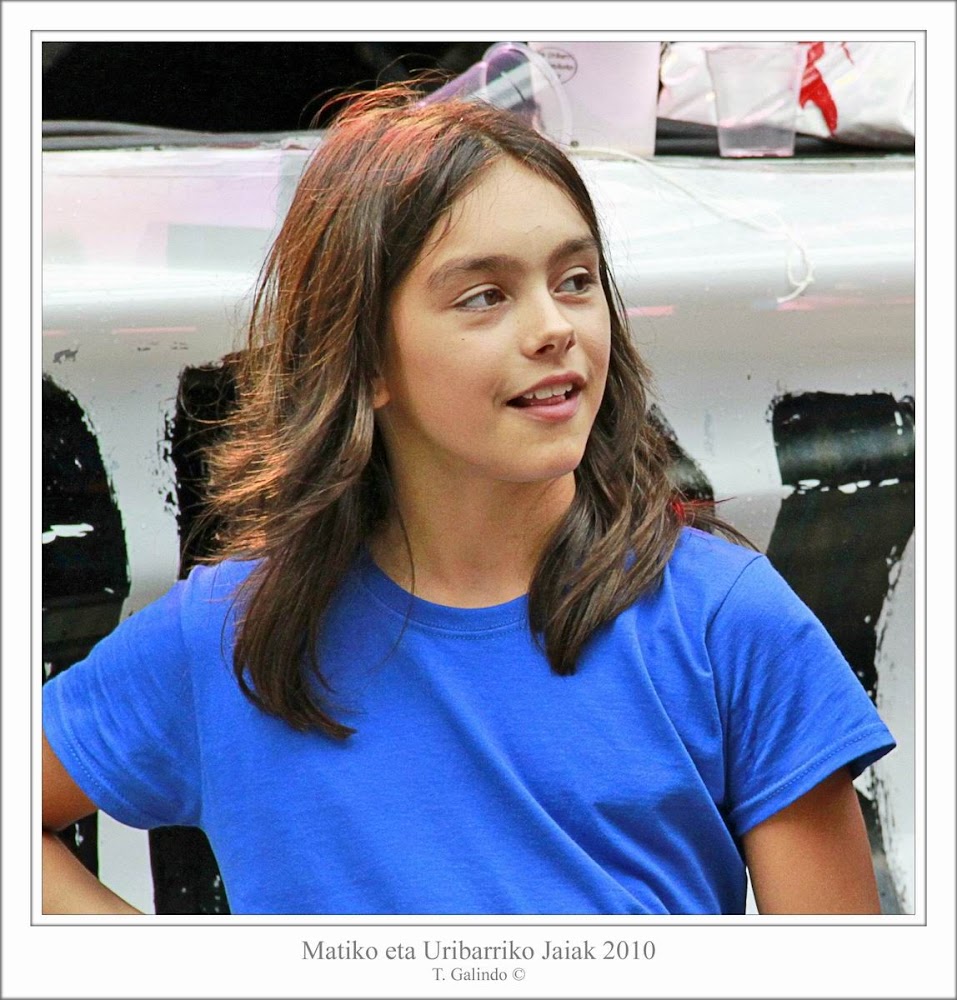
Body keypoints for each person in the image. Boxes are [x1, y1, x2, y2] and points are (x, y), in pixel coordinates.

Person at [42, 85, 894, 916]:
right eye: (484, 296)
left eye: (575, 279)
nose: (553, 327)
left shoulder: (726, 622)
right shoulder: (228, 634)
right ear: (362, 362)